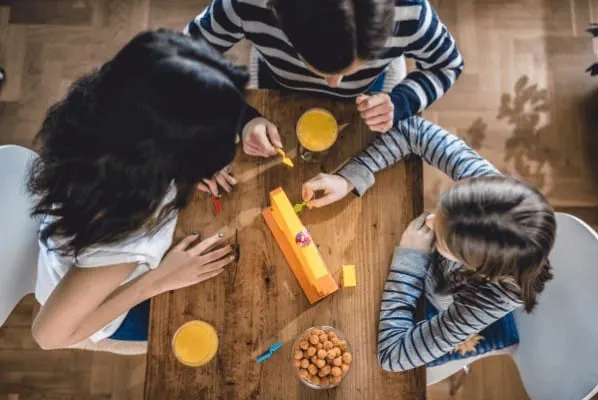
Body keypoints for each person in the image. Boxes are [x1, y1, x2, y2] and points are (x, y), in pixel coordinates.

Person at [28, 30, 249, 349]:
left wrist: (183, 169)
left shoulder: (99, 113)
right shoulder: (126, 237)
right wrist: (161, 280)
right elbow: (48, 336)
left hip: (78, 249)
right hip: (105, 303)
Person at [300, 116, 556, 370]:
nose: (431, 221)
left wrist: (411, 259)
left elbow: (392, 356)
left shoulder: (488, 298)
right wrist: (350, 178)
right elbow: (414, 130)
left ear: (473, 266)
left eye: (443, 239)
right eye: (443, 208)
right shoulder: (486, 191)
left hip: (432, 294)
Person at [185, 0, 464, 193]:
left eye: (356, 66)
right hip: (278, 85)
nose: (334, 84)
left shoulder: (410, 11)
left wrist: (401, 100)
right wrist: (241, 118)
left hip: (371, 94)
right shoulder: (246, 5)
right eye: (318, 67)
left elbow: (448, 65)